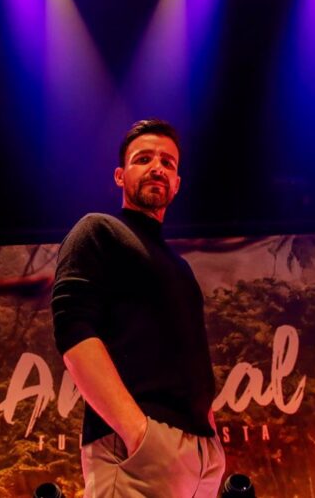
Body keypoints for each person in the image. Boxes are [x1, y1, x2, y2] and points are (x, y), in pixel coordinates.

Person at [51, 119, 225, 497]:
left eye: (168, 162)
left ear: (177, 183)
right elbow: (74, 332)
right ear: (120, 175)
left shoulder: (180, 267)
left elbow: (191, 359)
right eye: (143, 158)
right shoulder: (98, 231)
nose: (157, 167)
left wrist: (209, 440)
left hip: (201, 459)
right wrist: (138, 434)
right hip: (137, 450)